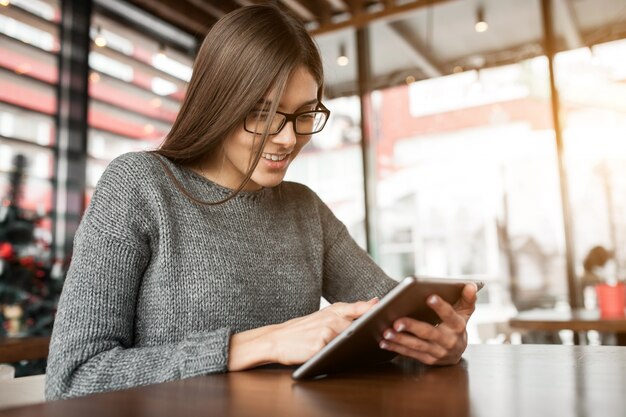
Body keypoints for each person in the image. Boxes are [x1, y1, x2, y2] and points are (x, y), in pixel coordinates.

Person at [45, 4, 477, 400]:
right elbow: (73, 377)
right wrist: (260, 343)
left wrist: (440, 343)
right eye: (263, 114)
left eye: (305, 114)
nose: (289, 138)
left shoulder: (304, 209)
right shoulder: (139, 186)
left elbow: (388, 316)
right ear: (219, 103)